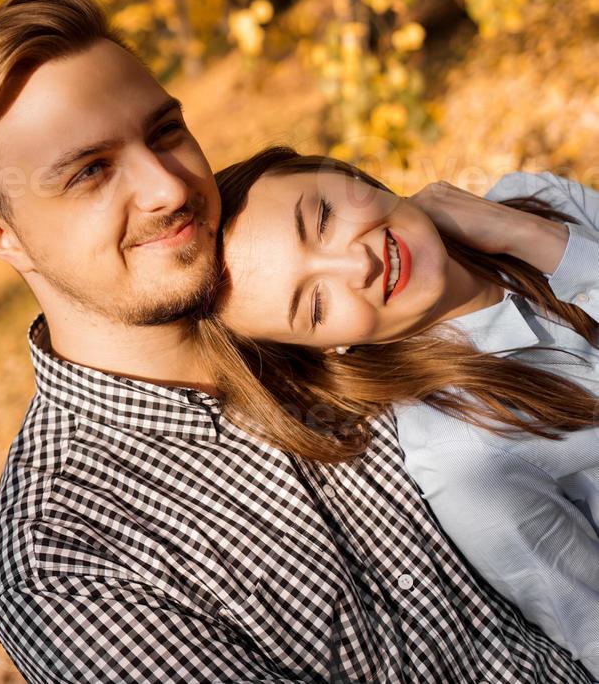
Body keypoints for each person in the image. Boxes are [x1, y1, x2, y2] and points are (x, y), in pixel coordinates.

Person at [0, 0, 591, 684]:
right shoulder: (68, 556)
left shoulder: (337, 302)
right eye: (90, 172)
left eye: (164, 132)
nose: (166, 186)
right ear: (3, 237)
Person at [213, 145, 599, 680]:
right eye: (317, 305)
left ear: (347, 177)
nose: (359, 264)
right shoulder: (465, 456)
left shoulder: (529, 200)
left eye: (323, 218)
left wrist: (533, 238)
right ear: (329, 348)